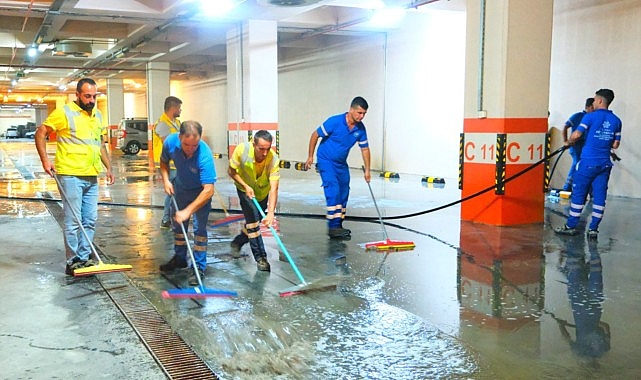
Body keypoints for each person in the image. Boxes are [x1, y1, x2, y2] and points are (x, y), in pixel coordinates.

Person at [34, 77, 115, 275]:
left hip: (91, 175)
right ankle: (72, 261)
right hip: (70, 174)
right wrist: (45, 160)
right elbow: (40, 132)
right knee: (73, 221)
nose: (91, 100)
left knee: (89, 220)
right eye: (87, 96)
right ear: (77, 95)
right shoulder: (64, 112)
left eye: (94, 96)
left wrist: (109, 167)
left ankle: (85, 257)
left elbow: (100, 144)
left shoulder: (98, 115)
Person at [555, 89, 622, 239]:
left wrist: (568, 142)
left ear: (599, 101)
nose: (592, 102)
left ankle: (571, 226)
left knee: (579, 194)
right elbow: (616, 144)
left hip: (588, 163)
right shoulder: (616, 120)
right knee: (599, 196)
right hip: (604, 164)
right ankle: (593, 229)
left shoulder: (589, 117)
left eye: (594, 99)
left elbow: (577, 134)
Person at [158, 120, 216, 285]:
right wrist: (166, 181)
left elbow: (208, 190)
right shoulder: (170, 142)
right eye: (186, 145)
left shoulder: (204, 154)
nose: (190, 149)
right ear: (179, 137)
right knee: (178, 226)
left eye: (194, 145)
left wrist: (188, 211)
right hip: (181, 189)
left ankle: (198, 266)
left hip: (201, 193)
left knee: (199, 229)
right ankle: (180, 258)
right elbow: (163, 162)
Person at [305, 96, 371, 240]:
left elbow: (365, 149)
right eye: (359, 113)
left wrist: (367, 170)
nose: (362, 116)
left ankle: (339, 224)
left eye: (364, 114)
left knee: (344, 190)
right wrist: (310, 157)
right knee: (333, 189)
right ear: (351, 110)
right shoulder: (334, 122)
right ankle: (333, 227)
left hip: (341, 163)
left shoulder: (360, 129)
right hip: (326, 160)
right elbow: (315, 135)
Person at [228, 130, 280, 272]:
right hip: (245, 190)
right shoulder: (242, 150)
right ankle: (261, 258)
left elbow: (274, 188)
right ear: (253, 144)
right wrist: (245, 186)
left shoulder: (273, 159)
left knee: (254, 223)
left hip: (262, 192)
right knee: (253, 223)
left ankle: (238, 241)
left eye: (268, 149)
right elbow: (231, 171)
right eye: (261, 149)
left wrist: (271, 213)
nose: (264, 153)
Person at [153, 96, 182, 228]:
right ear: (173, 108)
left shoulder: (177, 123)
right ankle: (166, 219)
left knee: (177, 191)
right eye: (179, 107)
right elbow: (168, 144)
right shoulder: (162, 124)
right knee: (172, 191)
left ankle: (172, 217)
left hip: (177, 164)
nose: (180, 110)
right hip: (168, 164)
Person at [562, 97, 595, 191]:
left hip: (585, 146)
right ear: (588, 107)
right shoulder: (578, 116)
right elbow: (565, 126)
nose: (594, 110)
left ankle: (589, 190)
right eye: (593, 108)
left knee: (586, 166)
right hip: (576, 145)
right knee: (577, 163)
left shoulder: (592, 119)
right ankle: (567, 187)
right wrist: (565, 141)